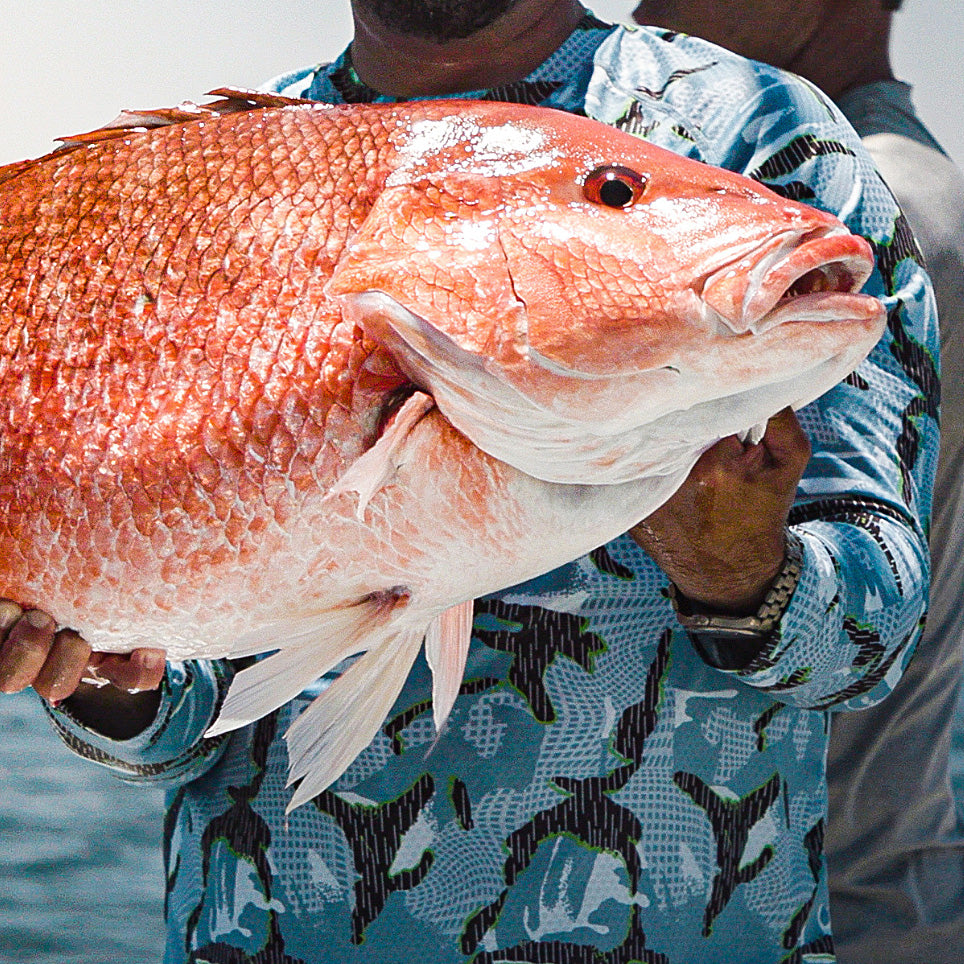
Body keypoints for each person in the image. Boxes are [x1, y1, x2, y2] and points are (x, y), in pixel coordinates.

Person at [0, 2, 939, 961]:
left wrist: (742, 567)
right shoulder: (241, 157)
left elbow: (876, 638)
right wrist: (109, 678)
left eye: (614, 191)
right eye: (619, 192)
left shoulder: (767, 142)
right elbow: (186, 719)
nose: (623, 194)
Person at [629, 2, 964, 960]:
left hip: (823, 905)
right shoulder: (917, 184)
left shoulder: (861, 223)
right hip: (883, 883)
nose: (649, 10)